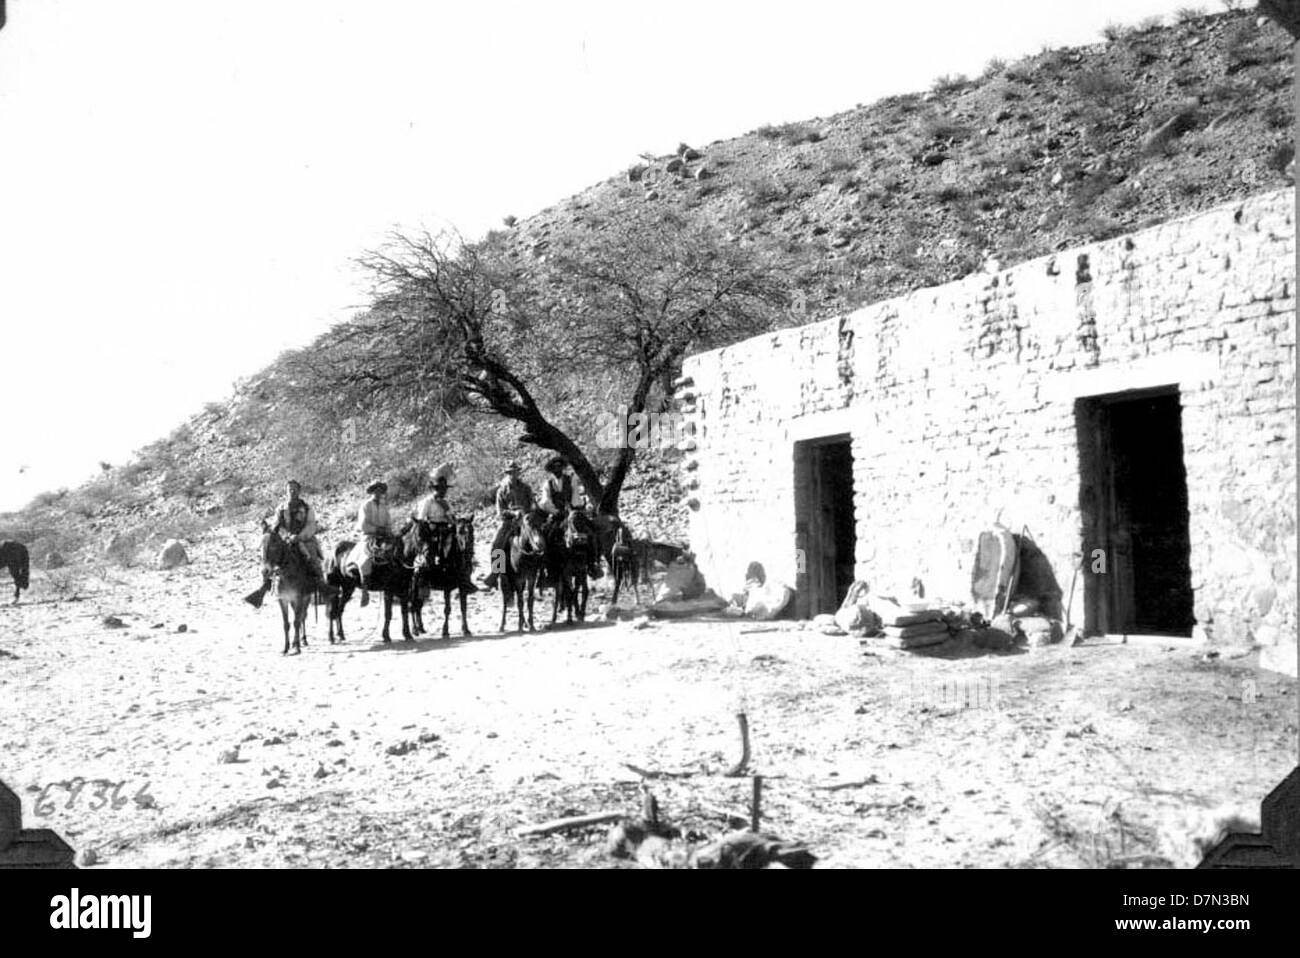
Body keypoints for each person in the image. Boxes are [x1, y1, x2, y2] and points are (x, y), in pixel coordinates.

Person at [245, 479, 323, 609]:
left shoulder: (307, 508)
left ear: (299, 491)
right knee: (271, 557)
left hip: (304, 539)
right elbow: (277, 525)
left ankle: (320, 588)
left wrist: (299, 537)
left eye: (294, 489)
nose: (292, 491)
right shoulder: (281, 508)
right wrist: (285, 535)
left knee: (312, 557)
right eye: (289, 489)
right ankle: (264, 588)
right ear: (286, 491)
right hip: (286, 539)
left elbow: (311, 525)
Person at [412, 464, 478, 593]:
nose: (443, 491)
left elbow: (452, 518)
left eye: (444, 489)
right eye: (440, 489)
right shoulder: (428, 502)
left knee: (463, 546)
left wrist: (449, 514)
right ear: (435, 489)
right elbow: (421, 518)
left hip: (446, 528)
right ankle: (425, 577)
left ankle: (467, 576)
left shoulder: (446, 502)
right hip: (432, 528)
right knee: (430, 551)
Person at [539, 456, 601, 581]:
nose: (558, 470)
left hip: (572, 512)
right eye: (555, 468)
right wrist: (555, 511)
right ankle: (547, 569)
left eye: (560, 467)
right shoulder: (548, 484)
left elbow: (576, 496)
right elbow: (545, 501)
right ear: (551, 470)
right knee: (546, 536)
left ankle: (592, 564)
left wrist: (573, 508)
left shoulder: (571, 480)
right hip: (556, 515)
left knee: (590, 531)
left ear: (563, 468)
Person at [481, 462, 535, 590]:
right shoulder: (502, 490)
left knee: (540, 539)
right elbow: (500, 511)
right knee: (496, 543)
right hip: (509, 521)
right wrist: (512, 513)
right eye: (511, 472)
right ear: (507, 474)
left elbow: (532, 503)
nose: (513, 475)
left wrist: (529, 513)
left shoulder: (526, 488)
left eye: (515, 472)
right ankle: (496, 572)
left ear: (518, 473)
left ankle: (543, 571)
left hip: (525, 520)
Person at [348, 480, 392, 606]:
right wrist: (377, 529)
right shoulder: (366, 505)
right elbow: (363, 524)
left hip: (383, 537)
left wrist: (387, 531)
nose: (378, 493)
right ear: (372, 492)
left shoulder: (384, 507)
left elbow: (388, 522)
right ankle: (365, 590)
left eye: (380, 491)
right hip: (369, 535)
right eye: (376, 491)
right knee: (366, 557)